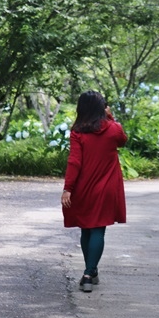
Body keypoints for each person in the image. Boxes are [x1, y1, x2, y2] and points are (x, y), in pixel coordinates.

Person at [61, 90, 128, 292]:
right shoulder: (113, 129)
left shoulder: (77, 132)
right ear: (102, 108)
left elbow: (74, 162)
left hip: (83, 187)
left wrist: (68, 189)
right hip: (107, 188)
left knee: (86, 228)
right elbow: (123, 141)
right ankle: (90, 273)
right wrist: (111, 118)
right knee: (98, 229)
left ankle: (90, 271)